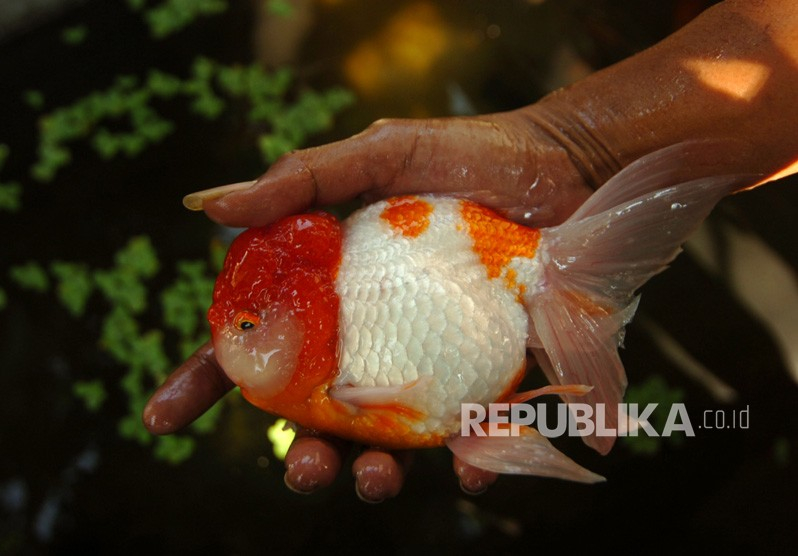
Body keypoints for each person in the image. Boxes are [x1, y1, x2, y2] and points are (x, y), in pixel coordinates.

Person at [143, 0, 798, 502]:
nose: (236, 340)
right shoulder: (318, 360)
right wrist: (577, 147)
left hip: (491, 264)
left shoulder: (328, 368)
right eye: (241, 325)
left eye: (249, 325)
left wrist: (578, 150)